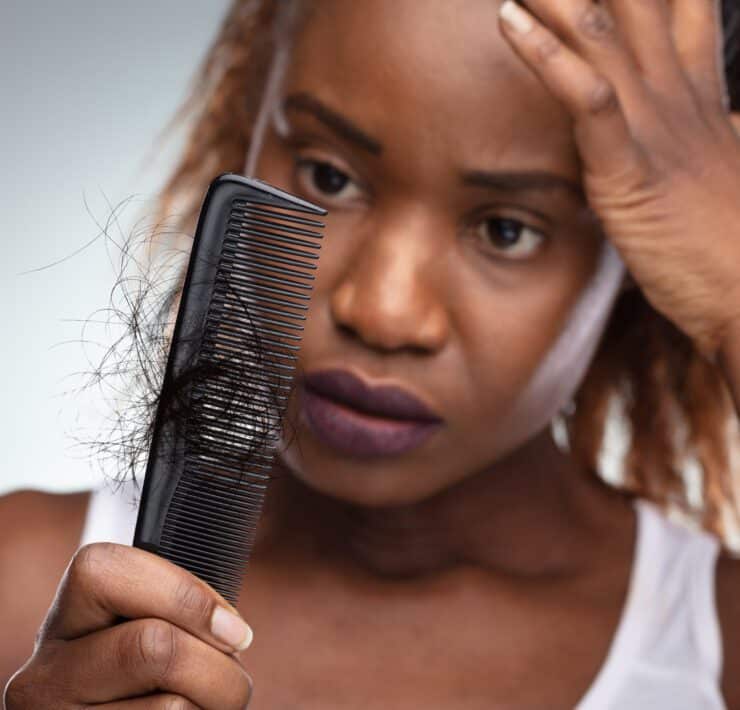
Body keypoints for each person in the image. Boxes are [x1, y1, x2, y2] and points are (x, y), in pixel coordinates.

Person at [3, 0, 740, 707]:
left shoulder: (718, 645)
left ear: (646, 254)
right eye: (329, 176)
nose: (382, 312)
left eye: (508, 230)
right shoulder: (25, 590)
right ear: (248, 130)